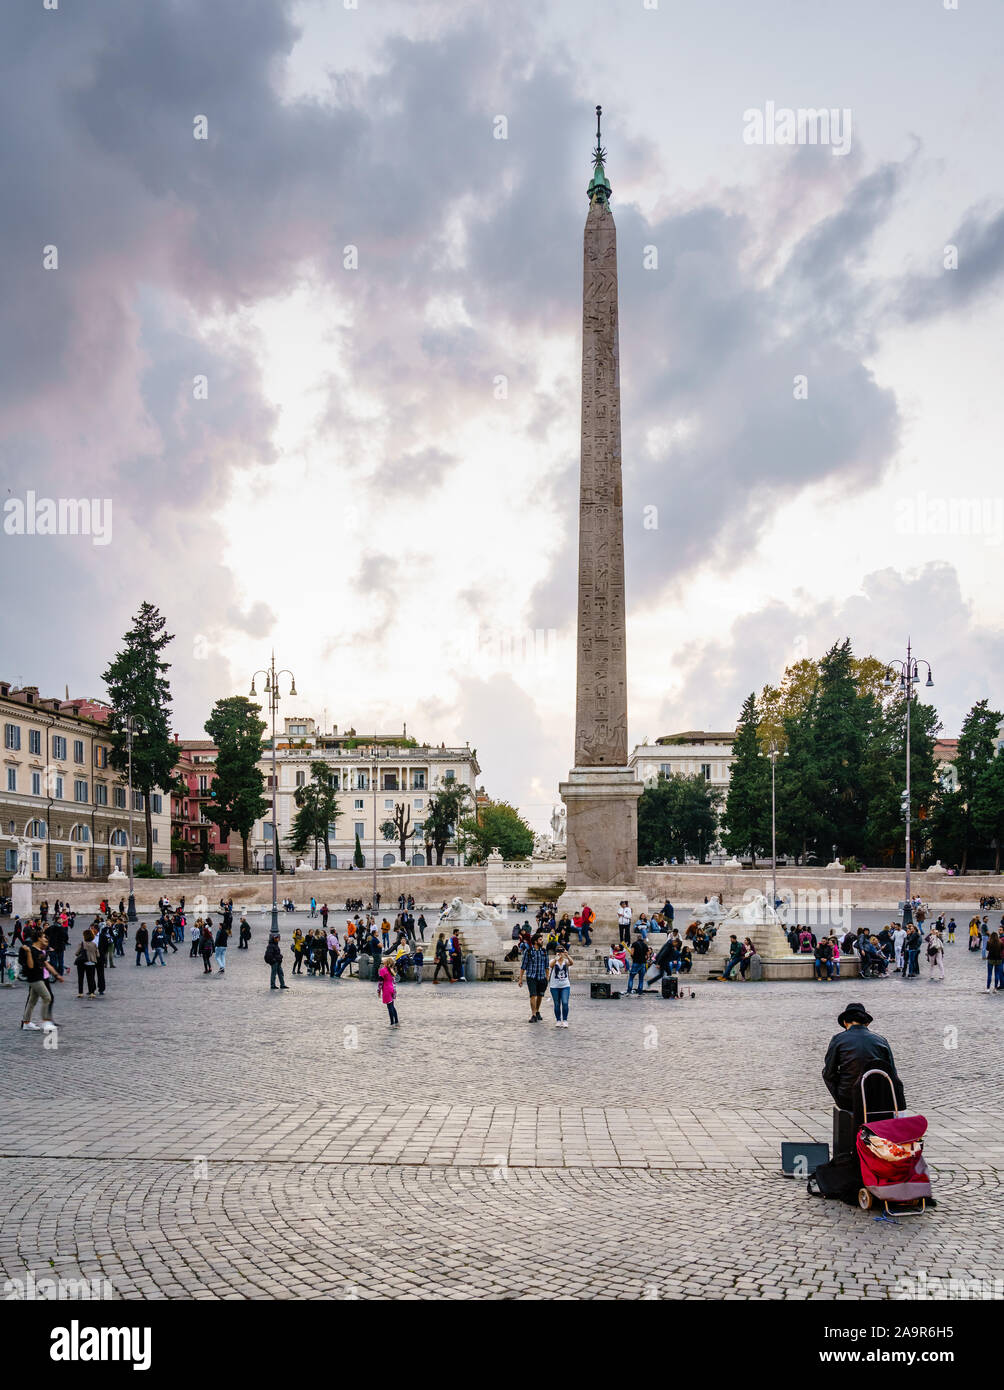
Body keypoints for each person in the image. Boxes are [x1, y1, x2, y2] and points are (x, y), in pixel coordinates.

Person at [822, 1002, 905, 1137]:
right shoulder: (881, 1040)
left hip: (848, 1098)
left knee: (829, 1073)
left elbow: (829, 1073)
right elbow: (892, 1073)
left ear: (845, 1022)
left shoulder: (838, 1039)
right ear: (866, 1023)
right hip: (877, 1098)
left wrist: (838, 1095)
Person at [20, 931, 64, 1031]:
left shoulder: (40, 951)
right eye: (44, 937)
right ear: (39, 938)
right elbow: (30, 966)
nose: (46, 940)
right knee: (47, 997)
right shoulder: (31, 949)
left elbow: (46, 965)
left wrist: (57, 975)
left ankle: (26, 1023)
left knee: (32, 1001)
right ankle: (45, 1022)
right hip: (34, 978)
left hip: (39, 978)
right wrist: (28, 952)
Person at [518, 932, 549, 1022]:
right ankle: (533, 1014)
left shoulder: (544, 951)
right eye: (540, 939)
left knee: (540, 996)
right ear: (535, 941)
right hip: (531, 977)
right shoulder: (528, 951)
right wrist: (520, 979)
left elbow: (547, 966)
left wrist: (547, 978)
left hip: (542, 977)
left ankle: (537, 1011)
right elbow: (523, 966)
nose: (542, 941)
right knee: (533, 995)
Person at [547, 947, 572, 1027]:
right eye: (558, 951)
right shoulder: (553, 961)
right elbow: (550, 965)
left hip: (565, 985)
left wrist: (567, 955)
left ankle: (565, 1020)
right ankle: (558, 1020)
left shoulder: (566, 961)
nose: (560, 953)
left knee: (565, 1002)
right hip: (554, 986)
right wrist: (556, 958)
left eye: (561, 951)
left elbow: (571, 963)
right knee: (557, 1004)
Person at [75, 927, 99, 997]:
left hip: (82, 962)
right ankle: (92, 992)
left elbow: (76, 953)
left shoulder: (82, 943)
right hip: (91, 962)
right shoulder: (94, 944)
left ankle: (80, 992)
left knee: (80, 978)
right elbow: (98, 954)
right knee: (91, 978)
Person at [378, 957, 399, 1027]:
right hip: (392, 989)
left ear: (386, 962)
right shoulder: (392, 970)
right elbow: (394, 981)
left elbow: (380, 982)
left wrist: (379, 991)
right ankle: (396, 1021)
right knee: (392, 1006)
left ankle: (392, 1023)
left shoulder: (382, 970)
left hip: (386, 989)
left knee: (389, 1007)